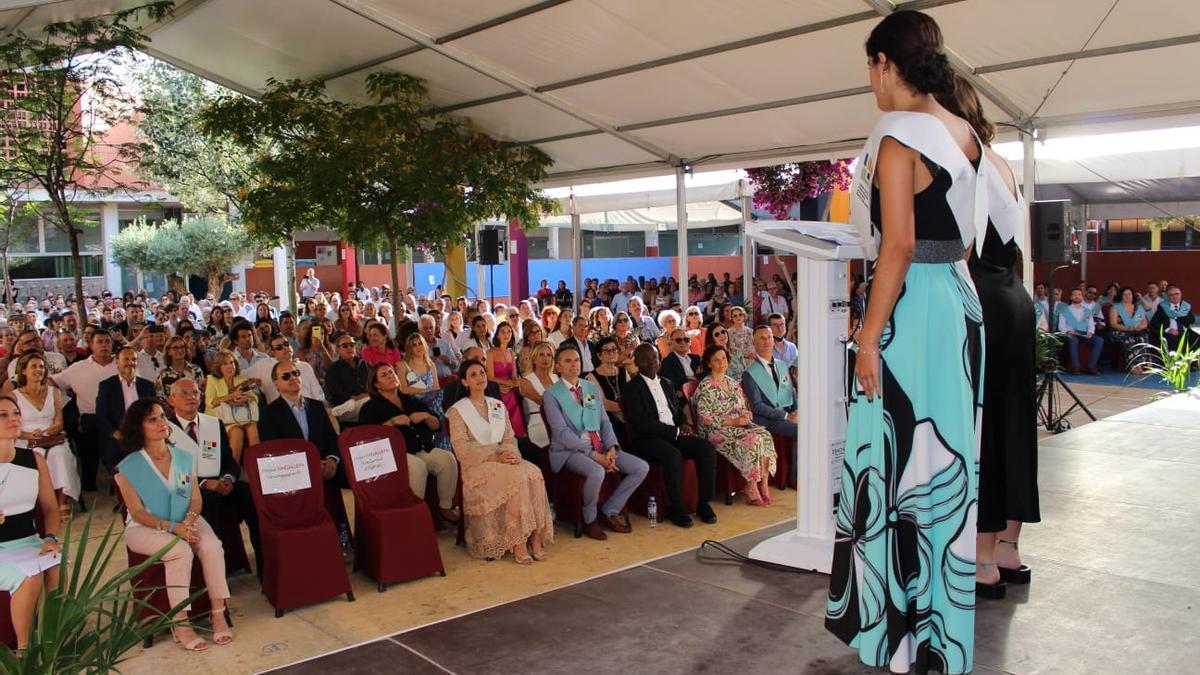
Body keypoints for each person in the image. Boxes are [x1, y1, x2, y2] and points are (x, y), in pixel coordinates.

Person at [827, 11, 984, 674]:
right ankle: (936, 641)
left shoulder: (898, 141)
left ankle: (893, 638)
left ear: (887, 64)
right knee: (944, 469)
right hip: (956, 302)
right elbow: (966, 235)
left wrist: (867, 337)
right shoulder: (965, 132)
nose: (870, 82)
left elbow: (895, 245)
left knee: (892, 466)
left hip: (910, 307)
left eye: (870, 67)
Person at [939, 75, 1041, 596]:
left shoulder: (964, 160)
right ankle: (1007, 547)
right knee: (1014, 423)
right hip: (1016, 298)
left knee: (984, 426)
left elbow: (961, 244)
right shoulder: (1001, 163)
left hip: (983, 298)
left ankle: (980, 559)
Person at [115, 398, 231, 651]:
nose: (161, 423)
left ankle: (218, 612)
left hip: (185, 518)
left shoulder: (183, 457)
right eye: (152, 419)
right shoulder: (130, 467)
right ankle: (180, 622)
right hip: (145, 527)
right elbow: (136, 511)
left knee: (212, 545)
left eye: (162, 417)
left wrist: (188, 521)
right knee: (179, 550)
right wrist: (173, 528)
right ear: (139, 427)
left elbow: (196, 499)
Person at [447, 360, 553, 563]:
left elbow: (508, 437)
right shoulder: (458, 411)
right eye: (473, 375)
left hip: (503, 458)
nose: (480, 377)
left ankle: (535, 537)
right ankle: (518, 542)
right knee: (517, 479)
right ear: (465, 381)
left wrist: (509, 454)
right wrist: (493, 457)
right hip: (478, 465)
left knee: (534, 473)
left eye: (481, 372)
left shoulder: (497, 405)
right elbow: (462, 449)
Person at [543, 346, 648, 540]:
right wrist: (594, 455)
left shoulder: (589, 388)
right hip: (569, 451)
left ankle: (610, 509)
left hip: (599, 446)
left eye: (576, 360)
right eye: (567, 361)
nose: (573, 364)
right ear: (557, 366)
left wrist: (611, 448)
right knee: (596, 471)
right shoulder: (551, 395)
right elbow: (561, 433)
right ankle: (589, 519)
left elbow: (604, 422)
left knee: (641, 467)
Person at [165, 378, 261, 576]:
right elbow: (168, 471)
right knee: (207, 500)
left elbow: (228, 460)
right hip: (186, 489)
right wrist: (203, 483)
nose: (191, 397)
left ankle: (265, 565)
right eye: (184, 393)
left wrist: (227, 479)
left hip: (220, 484)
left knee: (249, 494)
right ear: (171, 400)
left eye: (195, 393)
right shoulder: (166, 430)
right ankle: (216, 571)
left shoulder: (213, 424)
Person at [622, 344, 717, 528]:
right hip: (647, 439)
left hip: (674, 433)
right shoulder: (631, 388)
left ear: (660, 360)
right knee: (672, 455)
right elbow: (641, 423)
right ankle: (677, 508)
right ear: (636, 361)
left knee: (706, 449)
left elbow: (675, 410)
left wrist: (682, 423)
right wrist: (674, 431)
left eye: (654, 357)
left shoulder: (667, 382)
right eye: (645, 358)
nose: (650, 361)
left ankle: (704, 503)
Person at [359, 364, 460, 523]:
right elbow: (368, 438)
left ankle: (445, 507)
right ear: (376, 385)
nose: (391, 375)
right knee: (418, 466)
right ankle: (415, 515)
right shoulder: (370, 407)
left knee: (448, 459)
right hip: (393, 454)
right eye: (384, 375)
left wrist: (426, 416)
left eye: (391, 372)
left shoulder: (409, 399)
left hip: (420, 447)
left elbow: (437, 425)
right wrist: (391, 422)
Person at [0, 395, 62, 650]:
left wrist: (50, 538)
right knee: (30, 577)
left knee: (57, 565)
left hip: (29, 541)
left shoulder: (34, 459)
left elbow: (50, 508)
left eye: (16, 413)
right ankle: (24, 652)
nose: (13, 419)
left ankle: (52, 639)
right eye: (3, 415)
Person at [257, 361, 348, 530]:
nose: (293, 378)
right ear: (276, 384)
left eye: (296, 373)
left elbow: (332, 439)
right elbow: (274, 453)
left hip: (325, 467)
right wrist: (312, 466)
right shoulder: (268, 414)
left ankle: (343, 538)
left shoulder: (316, 406)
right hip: (293, 473)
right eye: (286, 376)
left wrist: (332, 460)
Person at [694, 344, 776, 505]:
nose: (721, 362)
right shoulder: (706, 386)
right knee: (752, 440)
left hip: (738, 426)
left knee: (765, 436)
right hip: (716, 430)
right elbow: (704, 417)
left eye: (723, 358)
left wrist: (745, 416)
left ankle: (764, 485)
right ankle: (751, 486)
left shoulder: (732, 383)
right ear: (709, 364)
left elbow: (744, 407)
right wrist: (733, 422)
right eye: (716, 360)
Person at [13, 353, 80, 520]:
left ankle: (61, 500)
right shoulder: (15, 396)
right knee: (37, 457)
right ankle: (41, 503)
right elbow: (13, 428)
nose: (38, 370)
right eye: (34, 366)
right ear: (23, 371)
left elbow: (59, 422)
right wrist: (30, 435)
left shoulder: (54, 392)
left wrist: (52, 430)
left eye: (41, 367)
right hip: (26, 439)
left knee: (60, 454)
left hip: (51, 437)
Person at [52, 329, 118, 492]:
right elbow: (53, 382)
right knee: (88, 452)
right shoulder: (77, 368)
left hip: (117, 418)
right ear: (91, 345)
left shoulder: (121, 363)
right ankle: (89, 484)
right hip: (90, 417)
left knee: (116, 449)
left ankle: (116, 486)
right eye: (99, 342)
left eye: (107, 342)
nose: (104, 345)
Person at [96, 346, 157, 470]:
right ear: (117, 362)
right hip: (119, 434)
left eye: (133, 359)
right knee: (113, 453)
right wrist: (115, 433)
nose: (130, 363)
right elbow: (101, 415)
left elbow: (153, 412)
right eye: (126, 359)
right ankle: (117, 487)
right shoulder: (107, 386)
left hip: (144, 433)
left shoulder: (147, 385)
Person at [741, 326, 799, 437]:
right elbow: (757, 406)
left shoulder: (782, 365)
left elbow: (790, 392)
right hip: (768, 420)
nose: (767, 341)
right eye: (762, 338)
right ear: (754, 343)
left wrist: (796, 411)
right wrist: (786, 416)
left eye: (769, 337)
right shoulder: (749, 373)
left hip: (788, 413)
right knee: (800, 430)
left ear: (773, 339)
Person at [205, 349, 260, 462]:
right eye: (225, 364)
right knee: (236, 432)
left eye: (232, 363)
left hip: (242, 417)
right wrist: (231, 397)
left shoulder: (242, 379)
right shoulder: (212, 380)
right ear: (218, 367)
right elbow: (210, 402)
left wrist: (245, 399)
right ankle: (233, 470)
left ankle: (258, 467)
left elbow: (254, 398)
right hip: (221, 420)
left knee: (252, 427)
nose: (230, 366)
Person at [486, 322, 526, 438]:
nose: (506, 334)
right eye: (503, 332)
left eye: (509, 332)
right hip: (495, 391)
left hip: (509, 390)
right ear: (497, 335)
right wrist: (508, 383)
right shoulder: (490, 353)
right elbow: (490, 377)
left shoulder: (511, 352)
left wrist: (514, 382)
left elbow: (513, 375)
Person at [325, 332, 371, 423]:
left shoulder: (365, 365)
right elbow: (336, 392)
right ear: (337, 350)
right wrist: (355, 398)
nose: (349, 348)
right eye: (345, 346)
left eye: (352, 345)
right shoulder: (333, 370)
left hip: (369, 400)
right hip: (347, 406)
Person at [1059, 288, 1104, 375]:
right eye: (1075, 294)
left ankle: (1092, 366)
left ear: (1082, 297)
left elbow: (1091, 325)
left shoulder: (1087, 311)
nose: (1077, 296)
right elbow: (1061, 326)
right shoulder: (1065, 310)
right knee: (1073, 340)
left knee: (1099, 340)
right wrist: (1068, 331)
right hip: (1071, 334)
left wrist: (1090, 333)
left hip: (1084, 334)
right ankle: (1075, 367)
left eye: (1079, 294)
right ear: (1071, 297)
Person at [1108, 287, 1151, 374]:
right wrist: (1127, 328)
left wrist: (1140, 327)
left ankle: (1140, 364)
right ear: (1121, 296)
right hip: (1120, 331)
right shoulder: (1116, 308)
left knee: (1142, 338)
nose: (1128, 296)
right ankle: (1133, 365)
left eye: (1129, 294)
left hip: (1136, 331)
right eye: (1125, 294)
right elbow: (1113, 324)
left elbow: (1144, 323)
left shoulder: (1138, 308)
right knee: (1130, 340)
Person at [1149, 284, 1196, 353]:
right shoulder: (1163, 307)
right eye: (1171, 295)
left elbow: (1192, 320)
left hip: (1184, 332)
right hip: (1169, 334)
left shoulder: (1185, 306)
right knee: (1173, 342)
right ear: (1168, 296)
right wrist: (1168, 330)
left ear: (1181, 295)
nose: (1175, 296)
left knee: (1197, 339)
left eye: (1177, 294)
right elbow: (1154, 323)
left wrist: (1177, 316)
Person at [419, 314, 459, 380]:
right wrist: (426, 362)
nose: (429, 330)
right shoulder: (417, 347)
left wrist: (449, 361)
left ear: (434, 329)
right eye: (425, 328)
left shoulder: (444, 344)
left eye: (431, 327)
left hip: (448, 380)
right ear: (419, 330)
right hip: (429, 383)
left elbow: (457, 365)